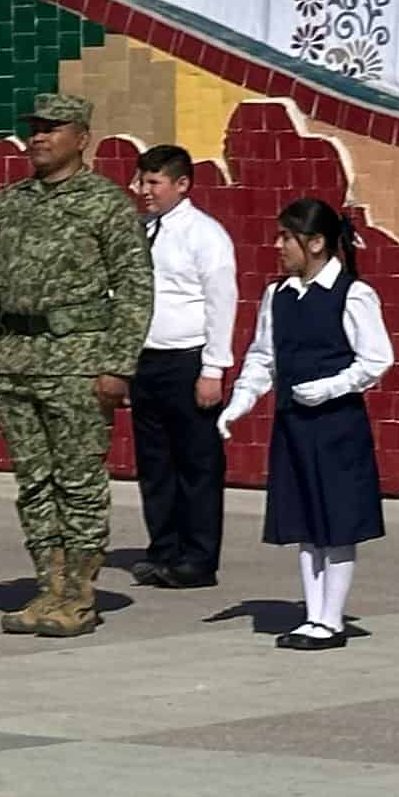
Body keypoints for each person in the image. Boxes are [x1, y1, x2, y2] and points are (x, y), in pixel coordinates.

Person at [0, 93, 151, 638]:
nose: (39, 137)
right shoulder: (9, 201)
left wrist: (117, 363)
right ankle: (47, 585)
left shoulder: (106, 204)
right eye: (35, 128)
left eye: (52, 128)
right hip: (18, 359)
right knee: (34, 481)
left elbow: (136, 287)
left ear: (81, 137)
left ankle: (79, 592)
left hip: (78, 361)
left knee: (78, 482)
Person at [222, 199, 392, 651]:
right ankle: (312, 613)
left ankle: (331, 619)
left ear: (316, 243)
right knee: (303, 518)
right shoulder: (278, 295)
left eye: (286, 238)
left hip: (337, 427)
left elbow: (376, 359)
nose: (278, 246)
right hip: (293, 421)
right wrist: (239, 401)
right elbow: (263, 357)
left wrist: (333, 386)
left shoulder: (353, 294)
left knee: (336, 519)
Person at [127, 143, 241, 591]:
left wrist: (213, 368)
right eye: (142, 181)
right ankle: (163, 549)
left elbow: (221, 302)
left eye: (154, 182)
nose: (144, 191)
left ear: (182, 184)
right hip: (146, 358)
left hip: (187, 358)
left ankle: (198, 557)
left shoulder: (204, 234)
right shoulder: (142, 229)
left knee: (197, 463)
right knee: (154, 462)